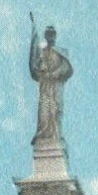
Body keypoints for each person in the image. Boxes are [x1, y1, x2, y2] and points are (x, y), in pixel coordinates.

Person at [29, 15, 73, 146]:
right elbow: (36, 65)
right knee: (44, 110)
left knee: (56, 109)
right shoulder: (42, 52)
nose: (51, 36)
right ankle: (43, 133)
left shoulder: (61, 51)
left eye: (52, 34)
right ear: (46, 36)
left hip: (55, 83)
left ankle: (57, 134)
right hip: (45, 85)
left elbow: (67, 69)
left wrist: (54, 73)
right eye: (48, 34)